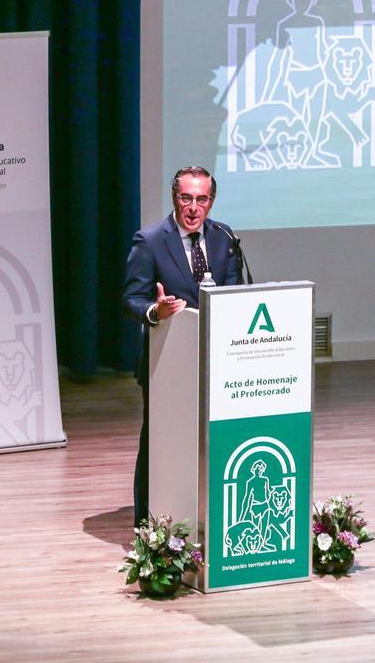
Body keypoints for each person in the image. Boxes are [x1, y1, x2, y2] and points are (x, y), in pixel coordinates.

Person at [122, 165, 244, 524]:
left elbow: (234, 293)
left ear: (212, 200)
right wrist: (154, 312)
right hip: (168, 363)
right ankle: (148, 525)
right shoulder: (150, 240)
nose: (194, 207)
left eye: (202, 199)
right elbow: (132, 299)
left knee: (213, 440)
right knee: (160, 444)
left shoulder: (224, 238)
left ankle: (209, 515)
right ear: (175, 198)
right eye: (186, 198)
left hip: (217, 362)